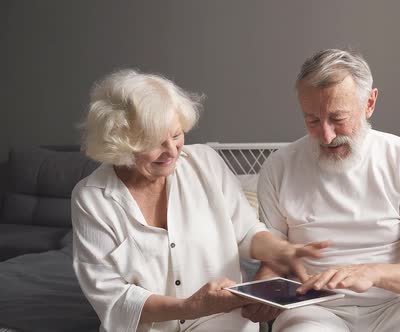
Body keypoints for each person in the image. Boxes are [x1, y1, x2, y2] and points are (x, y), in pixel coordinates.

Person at [242, 49, 400, 331]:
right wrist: (260, 293)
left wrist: (372, 273)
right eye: (313, 121)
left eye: (338, 118)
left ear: (369, 103)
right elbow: (276, 260)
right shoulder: (279, 166)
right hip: (312, 310)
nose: (327, 136)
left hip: (395, 307)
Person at [72, 70, 328, 332]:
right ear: (121, 142)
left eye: (176, 135)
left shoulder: (206, 163)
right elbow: (113, 297)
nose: (172, 151)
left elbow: (247, 233)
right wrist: (191, 306)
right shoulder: (93, 198)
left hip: (223, 322)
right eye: (154, 143)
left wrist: (281, 251)